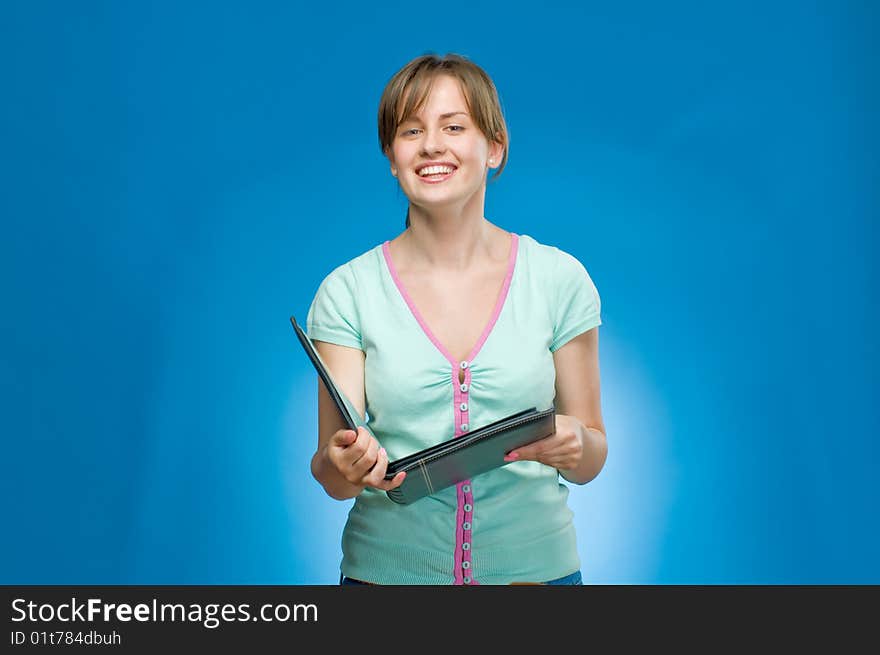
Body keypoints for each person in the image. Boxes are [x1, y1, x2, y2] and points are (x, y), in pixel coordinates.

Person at [306, 52, 607, 585]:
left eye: (454, 126)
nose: (431, 146)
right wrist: (344, 463)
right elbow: (333, 473)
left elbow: (591, 455)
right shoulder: (346, 291)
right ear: (392, 156)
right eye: (411, 130)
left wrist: (577, 444)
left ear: (494, 147)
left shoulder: (560, 280)